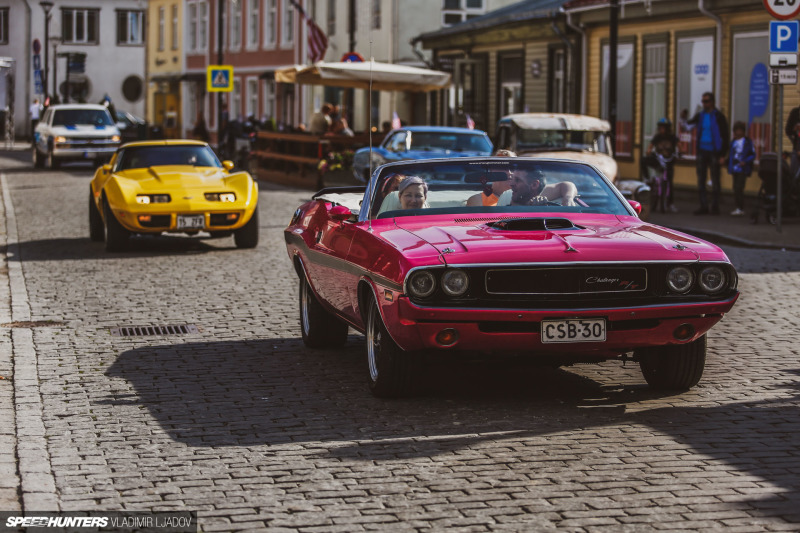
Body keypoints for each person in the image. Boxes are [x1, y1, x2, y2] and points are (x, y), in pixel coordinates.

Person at [680, 91, 730, 215]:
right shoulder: (700, 115)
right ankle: (703, 206)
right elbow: (687, 127)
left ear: (712, 102)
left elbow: (725, 136)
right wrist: (683, 118)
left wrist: (723, 154)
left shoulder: (718, 116)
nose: (704, 104)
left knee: (715, 179)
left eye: (706, 101)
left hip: (714, 151)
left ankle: (715, 207)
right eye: (703, 101)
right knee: (701, 179)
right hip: (702, 150)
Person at [496, 166, 578, 207]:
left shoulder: (540, 194)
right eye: (513, 179)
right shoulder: (507, 195)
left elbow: (567, 185)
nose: (511, 184)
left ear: (534, 185)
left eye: (517, 180)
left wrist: (568, 198)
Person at [645, 118, 679, 213]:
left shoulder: (672, 137)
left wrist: (680, 152)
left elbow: (680, 145)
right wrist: (648, 151)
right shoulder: (657, 137)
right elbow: (651, 146)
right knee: (644, 161)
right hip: (659, 160)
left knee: (669, 182)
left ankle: (670, 203)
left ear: (667, 128)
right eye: (660, 127)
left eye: (663, 128)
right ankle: (648, 180)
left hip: (669, 161)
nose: (661, 129)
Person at [727, 121, 755, 216]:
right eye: (737, 130)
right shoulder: (733, 142)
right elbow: (730, 155)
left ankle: (740, 207)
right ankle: (738, 207)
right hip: (735, 168)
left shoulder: (747, 142)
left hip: (743, 169)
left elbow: (752, 154)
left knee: (739, 187)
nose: (738, 133)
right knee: (735, 188)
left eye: (740, 130)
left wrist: (746, 161)